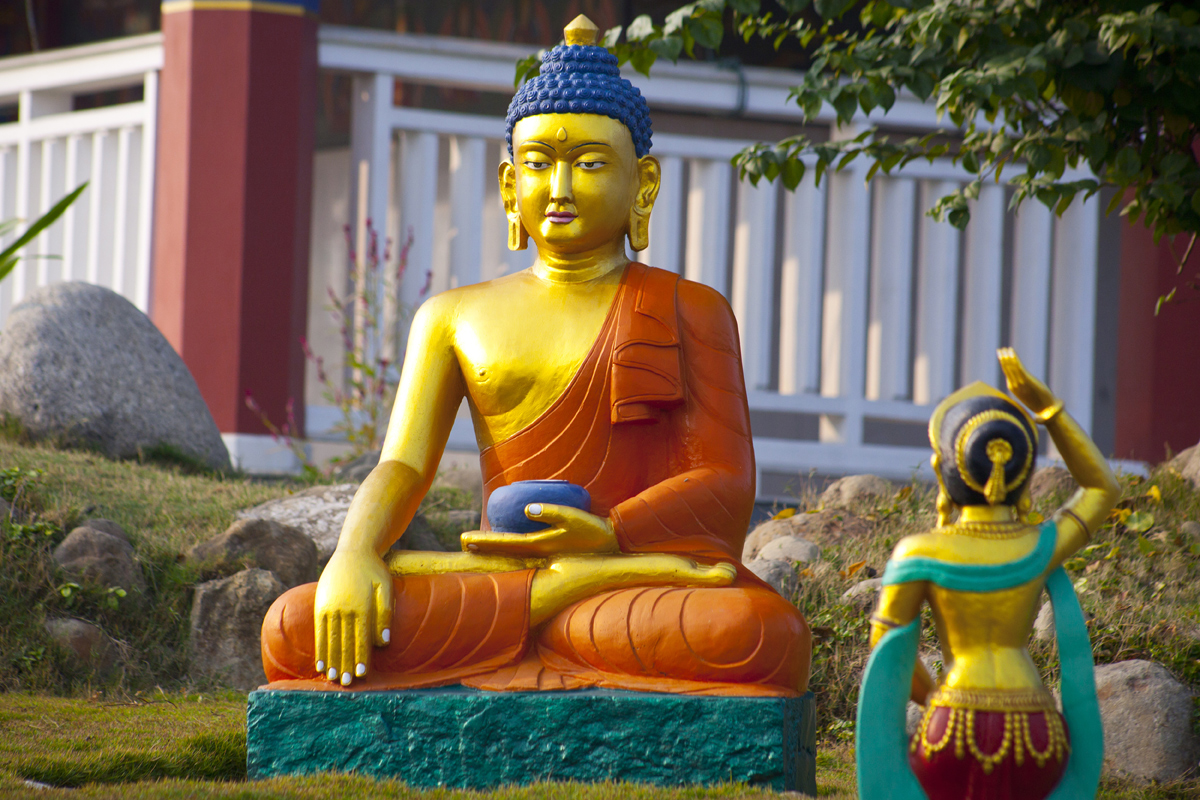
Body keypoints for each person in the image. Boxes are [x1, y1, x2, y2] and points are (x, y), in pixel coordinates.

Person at [260, 15, 812, 698]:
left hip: (632, 573)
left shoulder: (690, 308)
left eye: (587, 164)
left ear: (643, 185)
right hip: (510, 574)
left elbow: (727, 483)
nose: (558, 187)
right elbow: (401, 464)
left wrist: (609, 536)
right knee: (293, 623)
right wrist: (354, 553)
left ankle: (559, 598)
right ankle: (553, 598)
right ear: (507, 184)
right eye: (539, 164)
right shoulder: (453, 316)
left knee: (752, 632)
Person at [855, 348, 1119, 800]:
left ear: (945, 472)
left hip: (953, 725)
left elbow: (888, 652)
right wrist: (1049, 411)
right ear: (1024, 475)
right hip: (1034, 728)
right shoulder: (1039, 547)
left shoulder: (919, 553)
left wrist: (934, 697)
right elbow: (1103, 488)